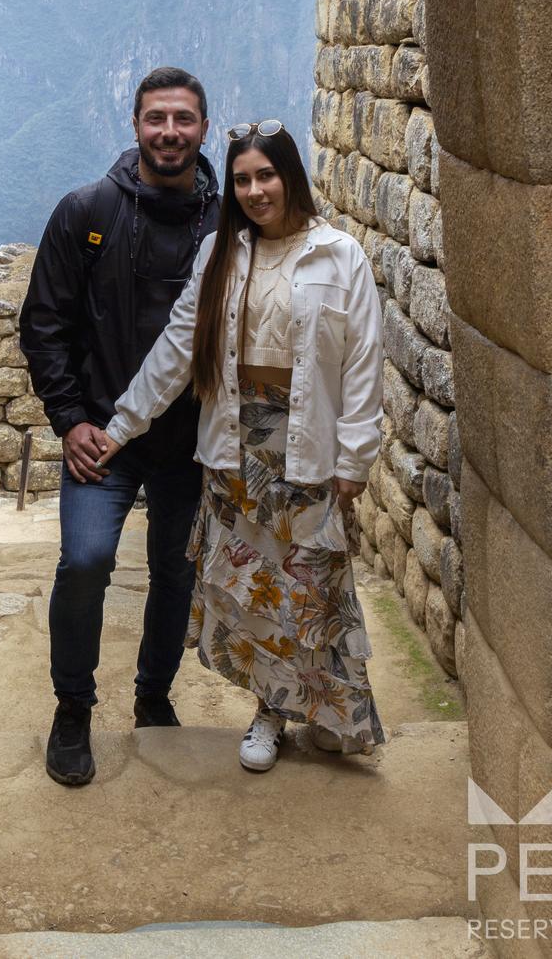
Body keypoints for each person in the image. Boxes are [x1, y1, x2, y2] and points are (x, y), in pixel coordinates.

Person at [101, 120, 385, 772]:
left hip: (307, 441)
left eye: (266, 175)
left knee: (312, 588)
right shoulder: (221, 255)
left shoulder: (339, 255)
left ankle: (320, 711)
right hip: (236, 447)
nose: (255, 190)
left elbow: (365, 362)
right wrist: (124, 423)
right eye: (242, 180)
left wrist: (355, 458)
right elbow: (178, 347)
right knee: (260, 590)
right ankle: (270, 713)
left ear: (290, 176)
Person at [21, 68, 220, 787]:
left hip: (191, 444)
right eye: (156, 118)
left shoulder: (229, 228)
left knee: (177, 571)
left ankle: (152, 698)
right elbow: (44, 323)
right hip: (103, 441)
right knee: (84, 562)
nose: (170, 132)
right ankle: (72, 705)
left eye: (184, 120)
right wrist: (70, 419)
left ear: (202, 129)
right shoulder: (87, 212)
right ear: (134, 124)